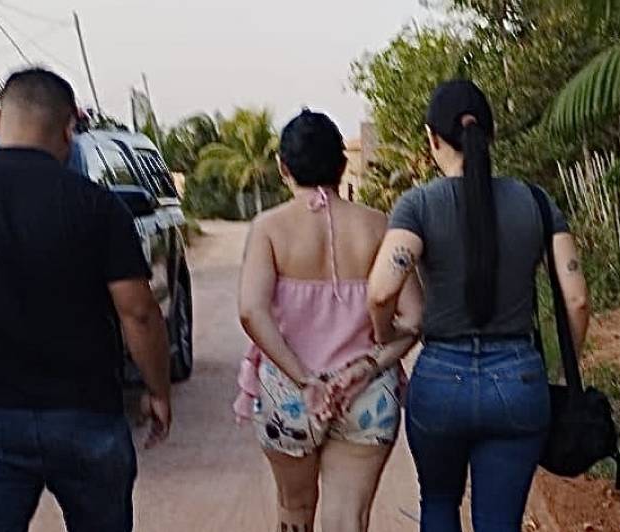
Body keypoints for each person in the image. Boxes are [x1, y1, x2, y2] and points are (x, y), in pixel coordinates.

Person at [0, 68, 172, 532]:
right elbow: (139, 313)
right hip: (86, 413)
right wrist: (158, 391)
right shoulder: (97, 206)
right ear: (69, 127)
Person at [367, 80, 591, 532]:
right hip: (518, 378)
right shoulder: (536, 202)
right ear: (491, 133)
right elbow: (577, 299)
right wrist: (556, 367)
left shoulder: (418, 205)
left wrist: (385, 334)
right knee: (499, 522)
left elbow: (381, 292)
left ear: (432, 139)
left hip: (439, 381)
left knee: (438, 504)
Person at [234, 109, 423, 532]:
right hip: (367, 394)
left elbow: (251, 311)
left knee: (294, 510)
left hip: (288, 395)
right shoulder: (380, 226)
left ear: (283, 167)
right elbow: (414, 318)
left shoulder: (268, 228)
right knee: (347, 521)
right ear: (341, 166)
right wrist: (367, 367)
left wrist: (304, 379)